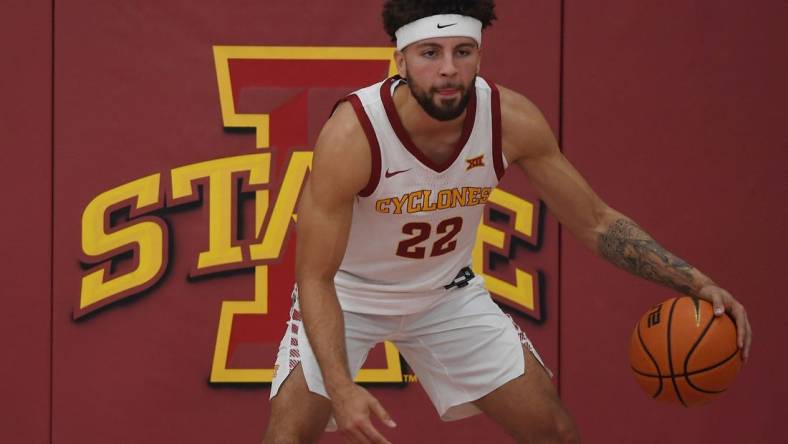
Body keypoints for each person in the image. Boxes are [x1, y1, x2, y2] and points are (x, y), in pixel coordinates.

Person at [262, 1, 753, 443]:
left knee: (555, 433)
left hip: (445, 296)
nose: (449, 69)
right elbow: (315, 276)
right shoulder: (355, 133)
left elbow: (597, 222)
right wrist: (343, 389)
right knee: (287, 438)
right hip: (350, 295)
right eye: (430, 53)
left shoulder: (509, 118)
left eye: (464, 51)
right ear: (401, 60)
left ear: (480, 54)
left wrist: (694, 281)